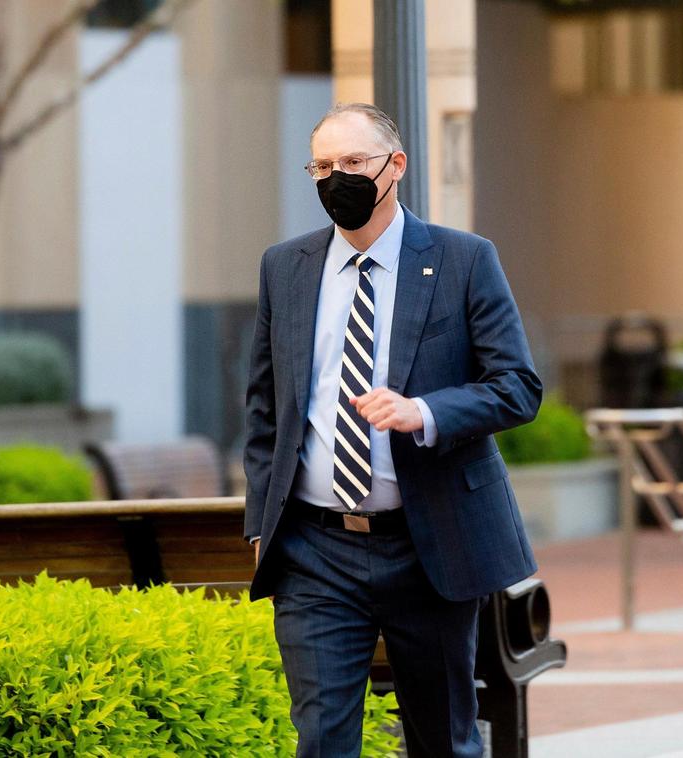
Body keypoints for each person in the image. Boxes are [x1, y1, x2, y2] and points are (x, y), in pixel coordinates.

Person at [243, 103, 542, 757]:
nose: (336, 178)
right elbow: (265, 408)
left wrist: (426, 412)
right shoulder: (285, 268)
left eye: (353, 163)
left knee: (443, 740)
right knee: (322, 739)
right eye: (322, 166)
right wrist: (263, 523)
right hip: (315, 551)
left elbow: (518, 388)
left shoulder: (464, 260)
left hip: (428, 543)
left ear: (396, 166)